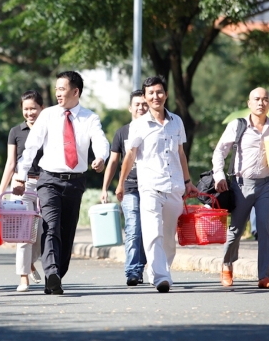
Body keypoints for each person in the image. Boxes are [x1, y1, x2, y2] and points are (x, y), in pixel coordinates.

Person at [13, 71, 110, 295]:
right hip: (48, 180)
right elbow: (31, 147)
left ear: (75, 92)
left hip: (75, 182)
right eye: (56, 88)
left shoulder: (90, 118)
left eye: (62, 89)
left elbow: (100, 140)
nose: (58, 93)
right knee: (51, 226)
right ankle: (52, 271)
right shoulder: (47, 115)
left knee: (67, 232)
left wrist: (101, 157)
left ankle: (56, 275)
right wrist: (21, 175)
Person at [116, 76, 199, 293]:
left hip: (174, 187)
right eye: (150, 93)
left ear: (166, 94)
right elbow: (130, 155)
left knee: (169, 238)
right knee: (153, 233)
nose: (155, 96)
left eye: (159, 92)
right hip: (150, 187)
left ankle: (159, 271)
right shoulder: (138, 125)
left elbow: (180, 153)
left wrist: (188, 182)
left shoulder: (177, 122)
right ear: (144, 96)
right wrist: (121, 183)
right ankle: (161, 277)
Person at [213, 87, 269, 289]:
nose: (261, 103)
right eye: (257, 99)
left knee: (265, 229)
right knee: (235, 231)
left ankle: (264, 276)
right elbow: (219, 152)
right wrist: (219, 175)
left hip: (266, 186)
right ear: (249, 103)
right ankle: (227, 265)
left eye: (265, 99)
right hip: (241, 185)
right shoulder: (238, 126)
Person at [0, 90, 45, 292]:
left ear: (41, 108)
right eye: (26, 109)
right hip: (21, 185)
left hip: (45, 184)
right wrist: (0, 194)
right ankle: (23, 277)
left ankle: (31, 262)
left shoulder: (49, 130)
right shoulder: (15, 132)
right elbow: (10, 163)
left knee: (42, 232)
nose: (30, 112)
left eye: (33, 108)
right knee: (24, 233)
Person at [100, 90, 149, 287]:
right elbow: (113, 162)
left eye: (144, 104)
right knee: (133, 228)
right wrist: (105, 187)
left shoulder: (155, 128)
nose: (141, 108)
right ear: (130, 108)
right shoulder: (122, 133)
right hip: (130, 187)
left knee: (150, 231)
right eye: (137, 104)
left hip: (152, 186)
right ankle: (132, 271)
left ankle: (144, 266)